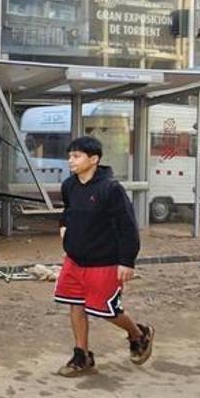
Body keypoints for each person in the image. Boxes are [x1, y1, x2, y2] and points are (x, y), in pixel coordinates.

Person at [54, 135, 154, 376]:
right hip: (74, 260)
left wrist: (126, 261)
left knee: (107, 310)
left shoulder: (111, 189)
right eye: (70, 156)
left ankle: (138, 334)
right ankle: (82, 355)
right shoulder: (69, 186)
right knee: (76, 304)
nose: (71, 160)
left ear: (94, 159)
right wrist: (64, 226)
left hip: (105, 261)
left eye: (76, 156)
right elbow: (67, 211)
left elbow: (127, 226)